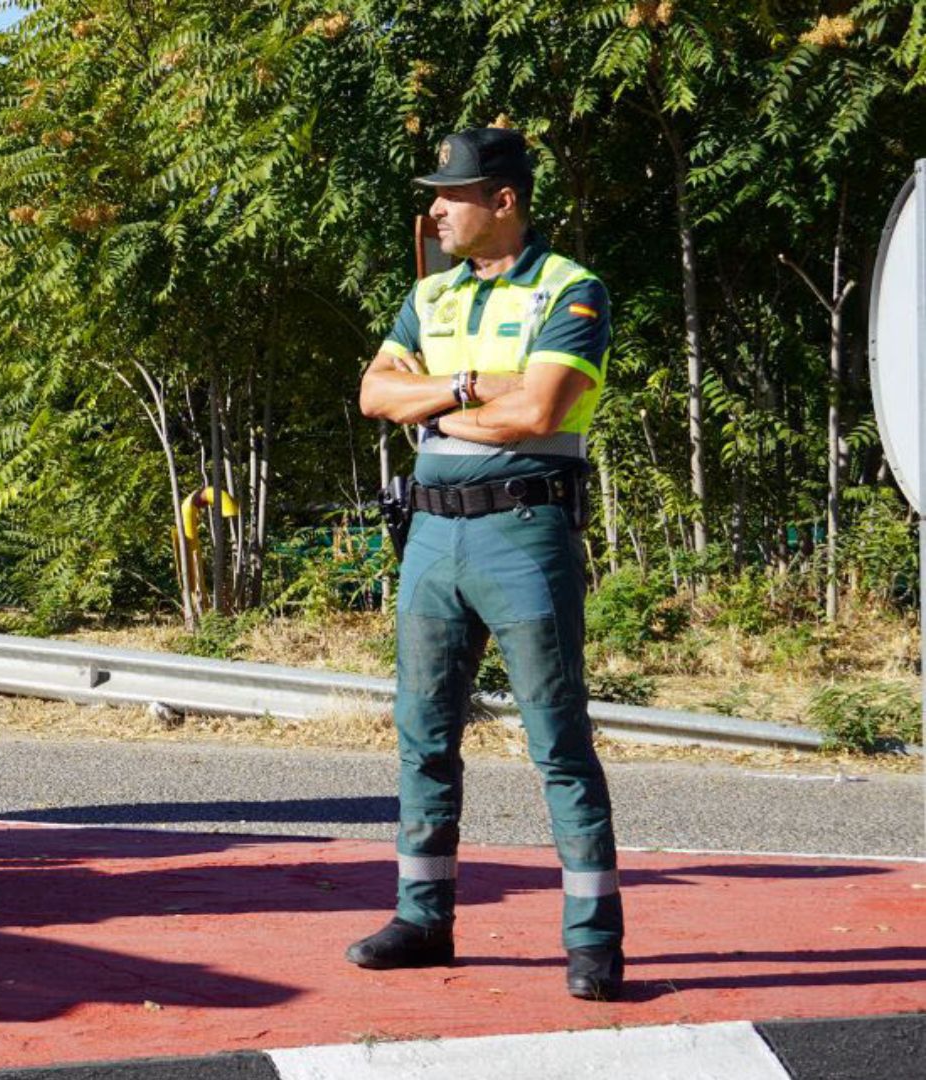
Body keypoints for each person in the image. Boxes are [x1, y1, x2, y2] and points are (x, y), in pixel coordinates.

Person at [351, 126, 624, 1001]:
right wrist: (469, 391)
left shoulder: (570, 288)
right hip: (431, 538)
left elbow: (540, 408)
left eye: (450, 195)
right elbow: (371, 395)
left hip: (523, 531)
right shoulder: (428, 296)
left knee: (558, 741)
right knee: (422, 736)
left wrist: (429, 410)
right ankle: (423, 919)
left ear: (502, 201)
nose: (434, 209)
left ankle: (593, 940)